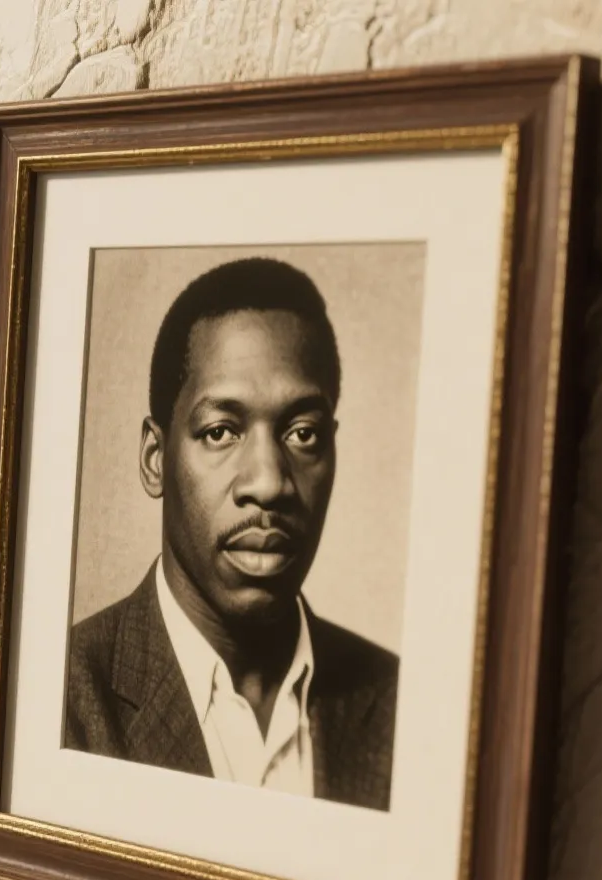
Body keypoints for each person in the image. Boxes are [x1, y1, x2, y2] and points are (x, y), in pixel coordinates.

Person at [63, 257, 396, 810]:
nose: (269, 483)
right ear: (154, 459)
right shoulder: (62, 700)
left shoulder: (399, 700)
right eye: (220, 431)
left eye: (303, 433)